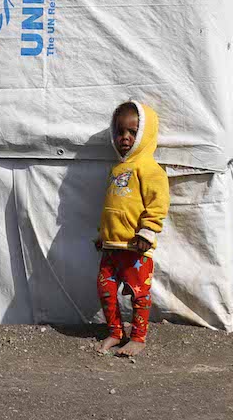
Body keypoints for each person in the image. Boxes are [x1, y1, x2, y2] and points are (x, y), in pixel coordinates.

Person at [95, 101, 169, 355]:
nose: (124, 138)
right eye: (119, 132)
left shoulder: (149, 168)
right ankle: (115, 333)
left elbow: (157, 203)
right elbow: (111, 205)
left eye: (132, 132)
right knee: (106, 291)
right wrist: (102, 235)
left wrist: (147, 233)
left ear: (145, 135)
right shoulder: (116, 169)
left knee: (139, 294)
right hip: (112, 246)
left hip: (135, 246)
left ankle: (138, 337)